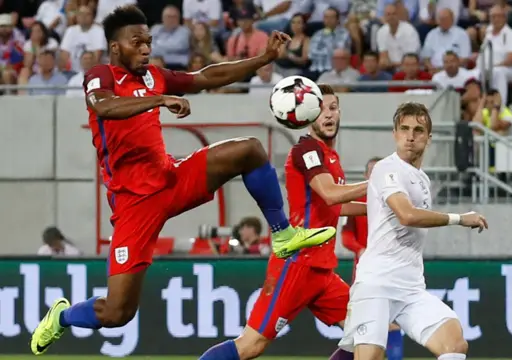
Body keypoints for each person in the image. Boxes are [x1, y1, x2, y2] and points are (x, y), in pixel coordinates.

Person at [29, 5, 336, 356]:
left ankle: (282, 235)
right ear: (116, 47)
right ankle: (63, 317)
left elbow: (207, 76)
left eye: (148, 41)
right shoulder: (102, 75)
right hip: (134, 204)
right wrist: (160, 100)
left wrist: (262, 58)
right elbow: (103, 107)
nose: (146, 48)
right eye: (137, 42)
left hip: (171, 178)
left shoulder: (153, 76)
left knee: (250, 150)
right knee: (117, 313)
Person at [197, 84, 370, 360]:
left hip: (322, 270)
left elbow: (337, 205)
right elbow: (330, 193)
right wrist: (380, 184)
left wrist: (385, 207)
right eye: (320, 108)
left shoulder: (331, 157)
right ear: (306, 115)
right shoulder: (306, 150)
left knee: (367, 331)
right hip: (297, 263)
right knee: (251, 345)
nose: (328, 115)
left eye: (334, 108)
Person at [339, 101, 488, 360]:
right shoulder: (387, 168)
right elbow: (406, 215)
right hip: (376, 282)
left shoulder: (422, 178)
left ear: (428, 139)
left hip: (410, 285)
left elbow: (381, 211)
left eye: (418, 130)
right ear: (395, 134)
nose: (410, 136)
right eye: (404, 129)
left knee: (454, 344)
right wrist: (460, 218)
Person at [341, 156, 405, 360]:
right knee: (365, 325)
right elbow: (346, 235)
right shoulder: (356, 203)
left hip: (392, 267)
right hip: (365, 270)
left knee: (391, 322)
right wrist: (359, 249)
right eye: (372, 171)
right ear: (365, 176)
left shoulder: (397, 199)